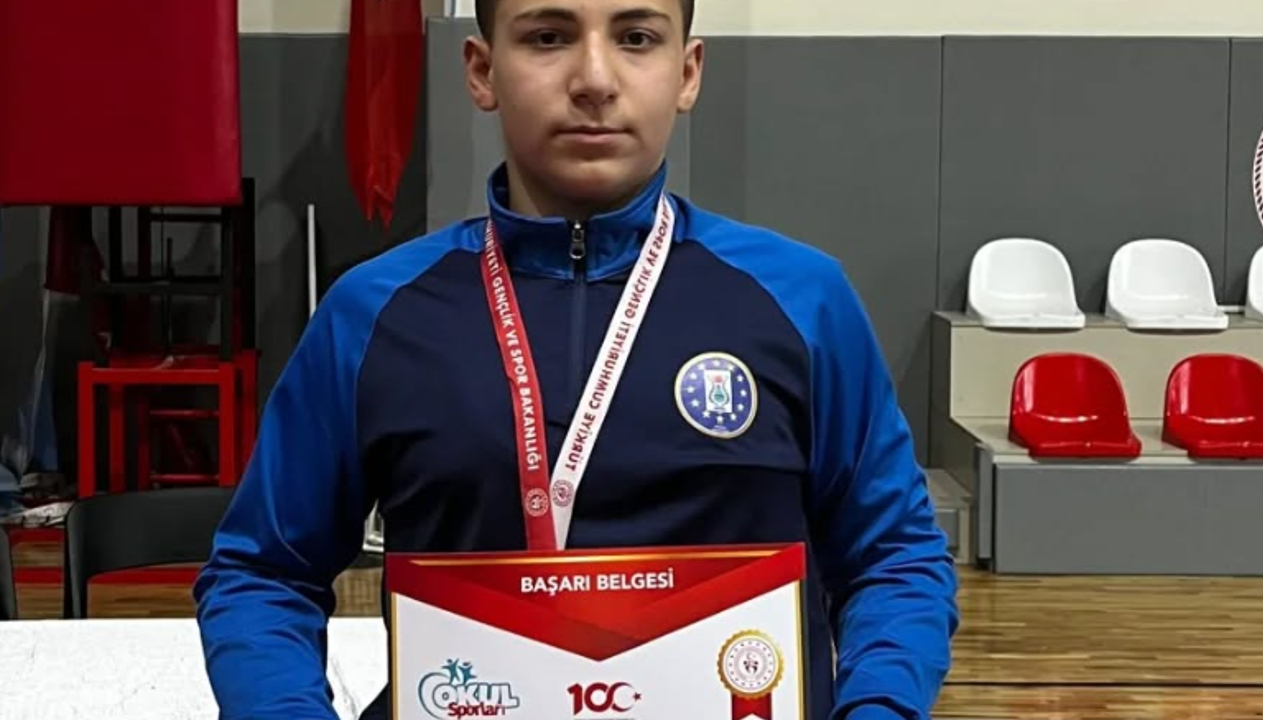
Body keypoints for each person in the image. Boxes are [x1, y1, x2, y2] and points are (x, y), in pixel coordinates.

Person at [193, 1, 960, 718]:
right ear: (482, 71)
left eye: (636, 37)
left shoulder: (803, 302)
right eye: (548, 36)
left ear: (687, 72)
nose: (594, 79)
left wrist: (878, 708)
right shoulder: (372, 314)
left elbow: (894, 557)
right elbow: (264, 573)